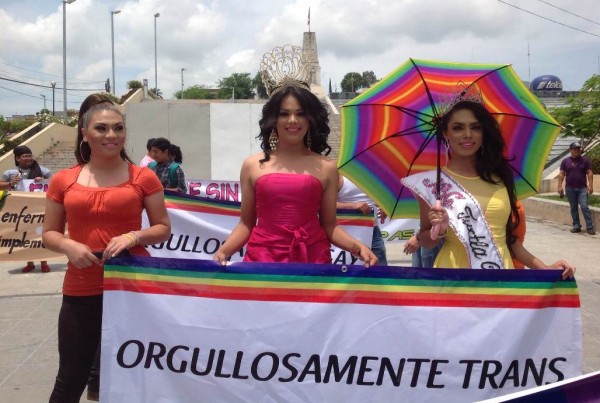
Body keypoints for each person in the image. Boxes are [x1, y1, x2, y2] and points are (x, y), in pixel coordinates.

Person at [42, 94, 171, 402]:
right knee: (71, 377)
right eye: (101, 128)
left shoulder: (144, 177)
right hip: (81, 287)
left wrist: (134, 237)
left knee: (137, 373)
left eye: (118, 128)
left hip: (133, 287)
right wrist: (69, 245)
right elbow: (49, 233)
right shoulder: (64, 180)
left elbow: (162, 228)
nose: (111, 135)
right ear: (85, 133)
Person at [213, 69, 377, 266]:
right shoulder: (252, 166)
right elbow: (246, 224)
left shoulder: (327, 167)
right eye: (284, 114)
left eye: (300, 114)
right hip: (263, 259)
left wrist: (358, 247)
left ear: (310, 119)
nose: (292, 120)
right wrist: (224, 251)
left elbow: (330, 226)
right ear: (273, 119)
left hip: (313, 260)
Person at [401, 98, 574, 278]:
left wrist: (545, 268)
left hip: (499, 278)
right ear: (446, 133)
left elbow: (510, 242)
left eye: (475, 127)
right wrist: (441, 229)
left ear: (484, 133)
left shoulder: (501, 178)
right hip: (453, 279)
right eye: (458, 127)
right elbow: (426, 242)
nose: (467, 134)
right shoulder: (432, 183)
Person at [0, 145, 52, 273]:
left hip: (39, 209)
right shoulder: (10, 172)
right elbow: (1, 185)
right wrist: (10, 184)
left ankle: (44, 261)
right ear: (17, 158)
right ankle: (30, 262)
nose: (29, 158)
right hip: (22, 211)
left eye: (30, 155)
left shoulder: (42, 170)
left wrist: (44, 179)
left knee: (40, 234)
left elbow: (55, 180)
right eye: (25, 156)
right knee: (26, 236)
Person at [337, 175, 388, 265]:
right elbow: (325, 204)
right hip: (346, 233)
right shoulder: (339, 176)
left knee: (380, 274)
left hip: (374, 232)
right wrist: (352, 206)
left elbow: (375, 200)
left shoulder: (376, 177)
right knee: (346, 273)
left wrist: (383, 206)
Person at [557, 142, 595, 235]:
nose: (577, 150)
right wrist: (559, 186)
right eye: (575, 149)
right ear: (570, 150)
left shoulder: (585, 160)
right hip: (570, 188)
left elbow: (589, 172)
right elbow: (561, 174)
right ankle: (576, 226)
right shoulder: (565, 161)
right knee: (573, 208)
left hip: (582, 188)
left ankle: (590, 227)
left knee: (584, 206)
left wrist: (590, 185)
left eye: (578, 149)